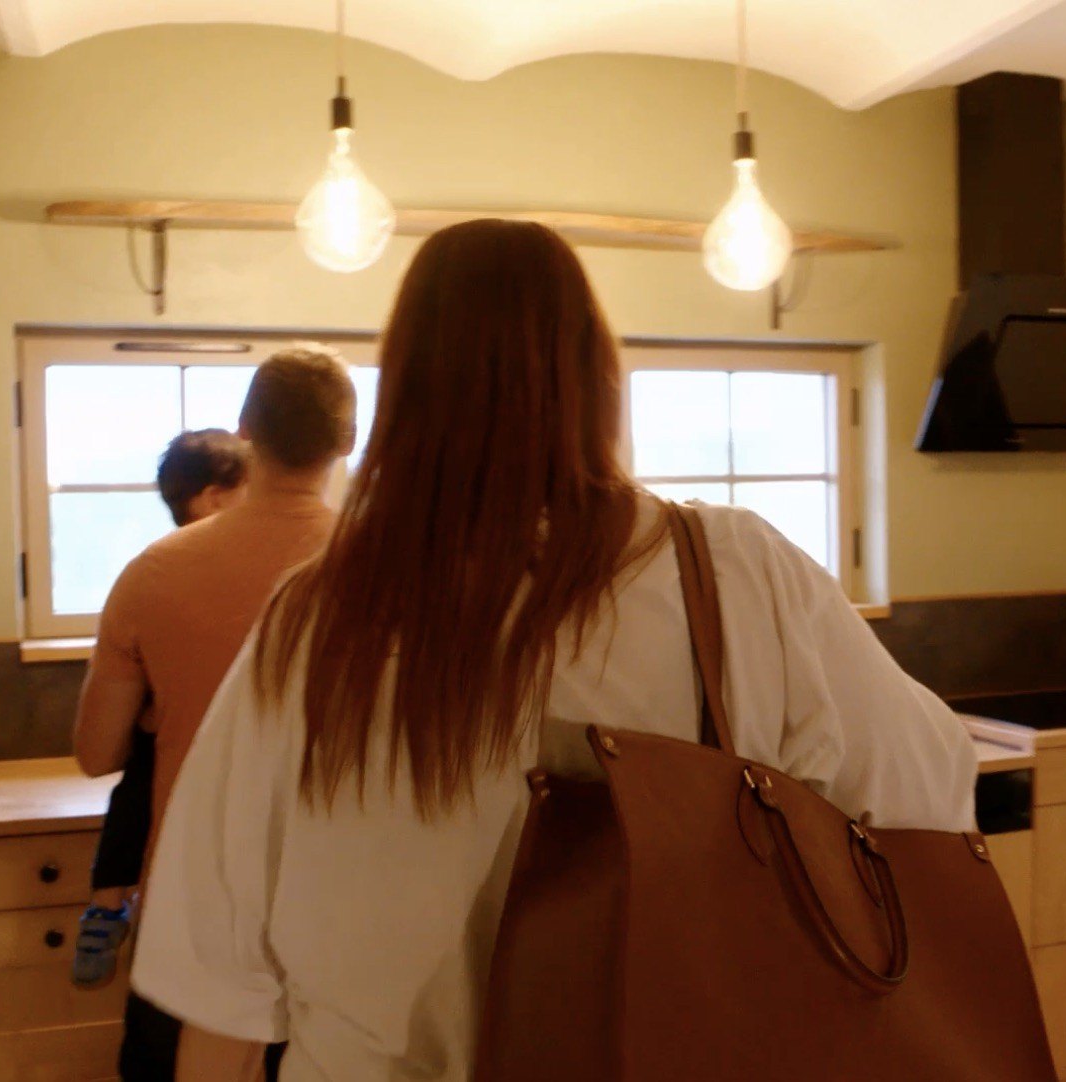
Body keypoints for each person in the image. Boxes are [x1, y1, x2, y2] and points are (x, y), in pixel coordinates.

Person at [132, 219, 979, 1082]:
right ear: (595, 376)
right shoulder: (732, 574)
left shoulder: (320, 624)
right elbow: (927, 791)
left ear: (408, 394)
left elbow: (222, 982)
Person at [73, 346, 357, 1082]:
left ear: (247, 430)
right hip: (343, 899)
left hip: (195, 902)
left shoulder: (154, 571)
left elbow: (97, 752)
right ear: (347, 440)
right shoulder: (384, 567)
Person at [73, 427, 249, 991]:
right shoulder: (212, 572)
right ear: (216, 497)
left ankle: (105, 905)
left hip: (162, 758)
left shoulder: (150, 573)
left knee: (134, 792)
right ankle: (106, 905)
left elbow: (99, 751)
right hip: (223, 819)